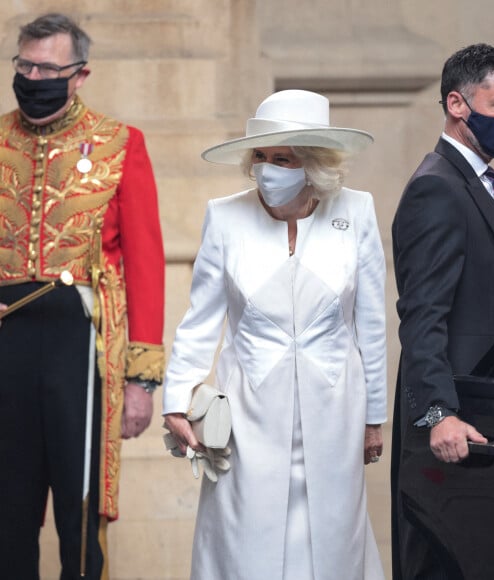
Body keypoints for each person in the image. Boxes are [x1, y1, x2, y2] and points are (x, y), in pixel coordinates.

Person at [163, 89, 387, 580]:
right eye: (260, 156)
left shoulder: (358, 212)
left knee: (331, 543)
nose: (267, 168)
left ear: (314, 164)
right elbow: (200, 319)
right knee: (246, 543)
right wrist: (176, 401)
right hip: (247, 414)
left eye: (281, 158)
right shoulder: (225, 216)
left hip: (335, 410)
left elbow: (370, 324)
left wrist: (374, 418)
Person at [0, 13, 165, 580]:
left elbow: (145, 264)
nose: (32, 75)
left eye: (47, 67)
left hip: (82, 349)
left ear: (79, 75)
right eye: (24, 64)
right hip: (6, 347)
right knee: (7, 511)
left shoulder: (121, 144)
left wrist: (142, 380)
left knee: (81, 505)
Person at [390, 44, 494, 580]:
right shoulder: (437, 189)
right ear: (458, 104)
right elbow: (422, 317)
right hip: (458, 431)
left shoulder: (480, 182)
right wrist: (439, 412)